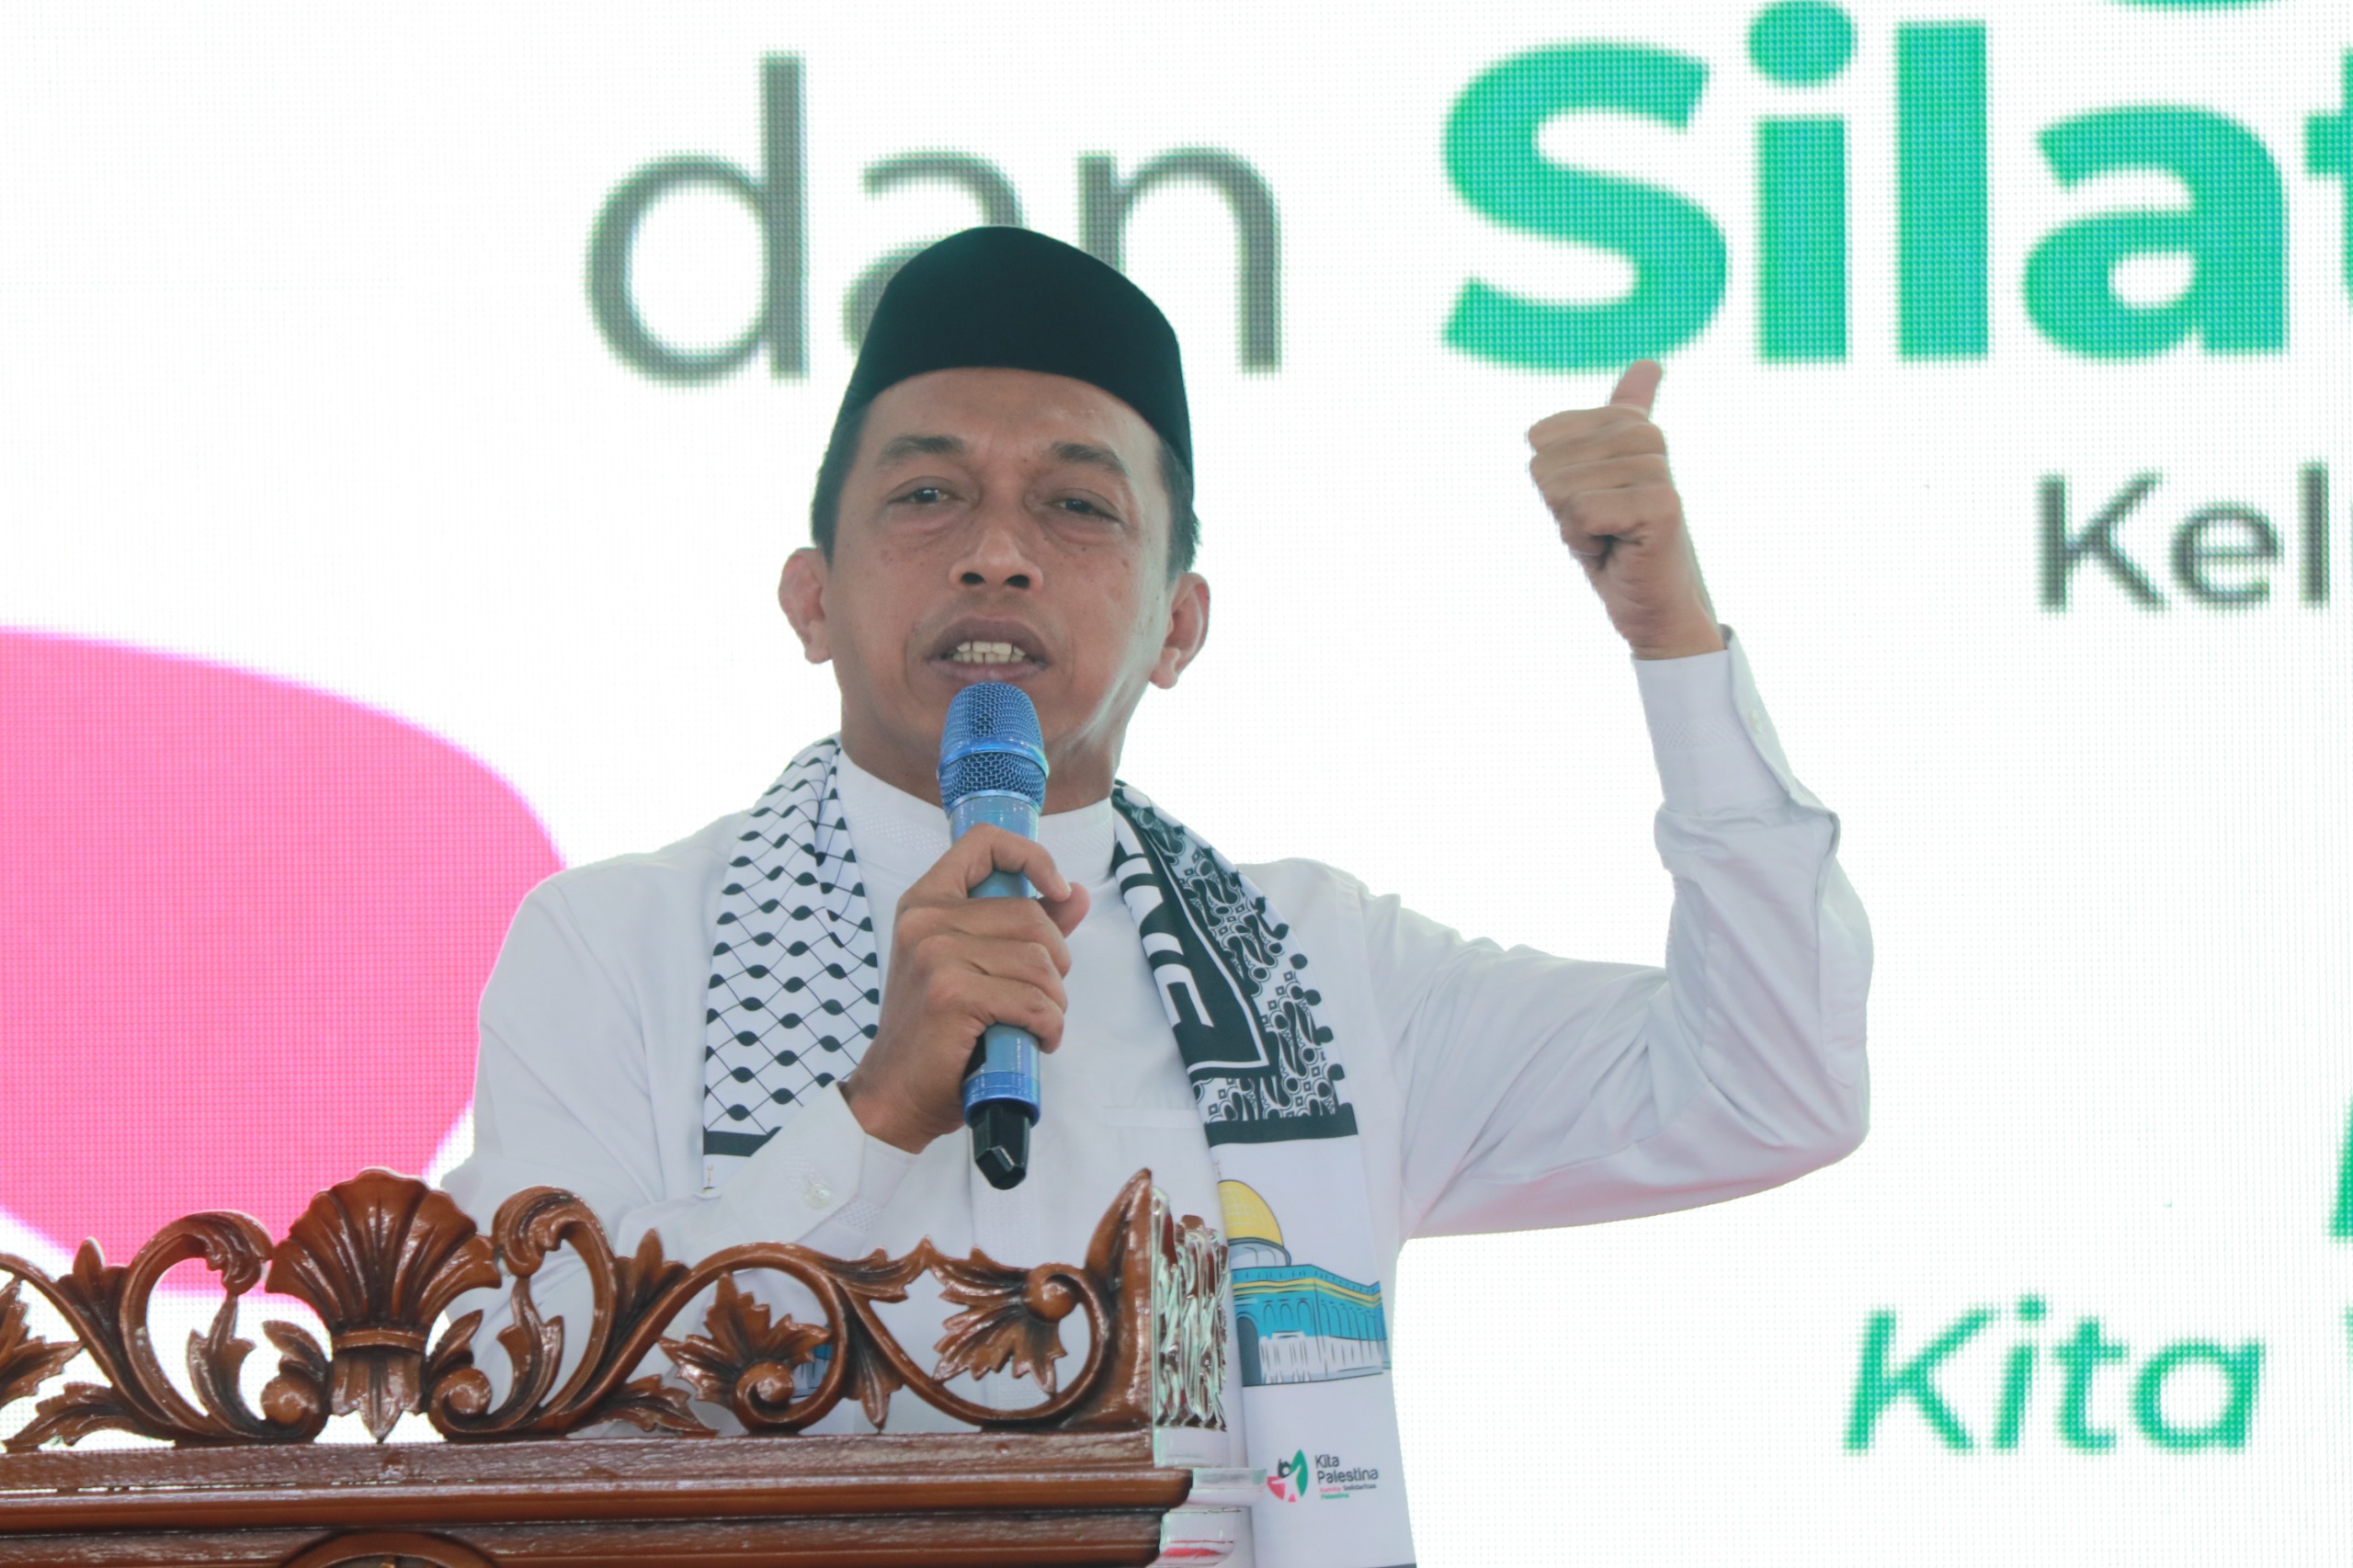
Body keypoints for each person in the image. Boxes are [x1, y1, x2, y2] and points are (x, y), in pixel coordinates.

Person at [443, 225, 1871, 1568]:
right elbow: (503, 1384)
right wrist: (866, 1117)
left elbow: (1770, 1087)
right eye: (928, 494)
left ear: (1178, 626)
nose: (997, 551)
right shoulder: (619, 948)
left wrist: (1671, 638)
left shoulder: (1319, 974)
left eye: (1076, 505)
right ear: (812, 598)